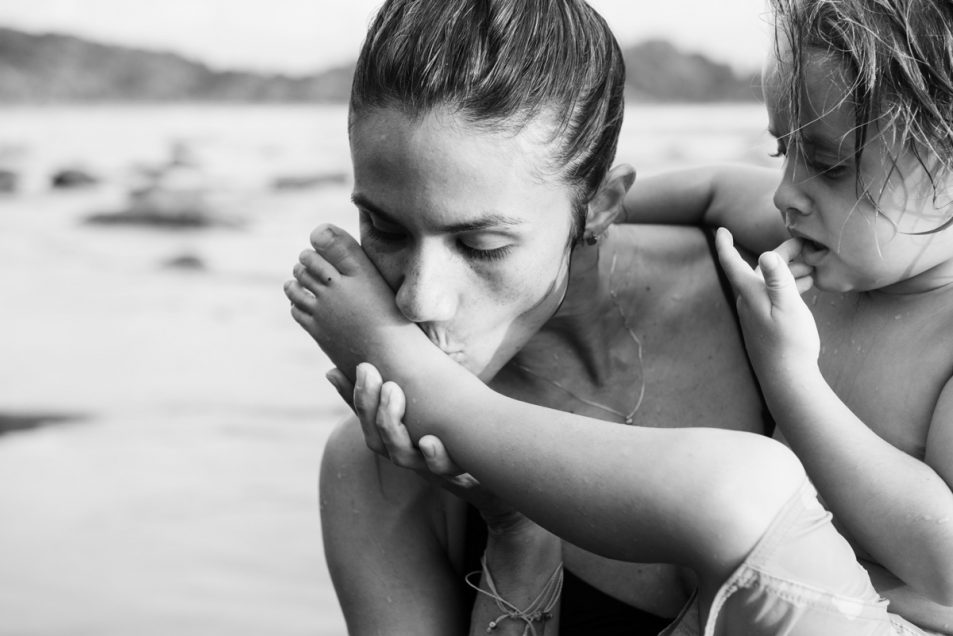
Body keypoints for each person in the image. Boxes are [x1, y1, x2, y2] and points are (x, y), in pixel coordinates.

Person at [286, 0, 953, 633]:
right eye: (383, 229)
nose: (417, 300)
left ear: (602, 206)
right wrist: (515, 532)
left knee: (742, 487)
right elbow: (720, 185)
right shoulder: (380, 461)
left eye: (481, 244)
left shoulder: (771, 281)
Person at [618, 0, 953, 631]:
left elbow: (945, 562)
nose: (786, 192)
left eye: (828, 163)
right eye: (783, 151)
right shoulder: (834, 238)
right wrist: (583, 211)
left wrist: (789, 378)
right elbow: (715, 189)